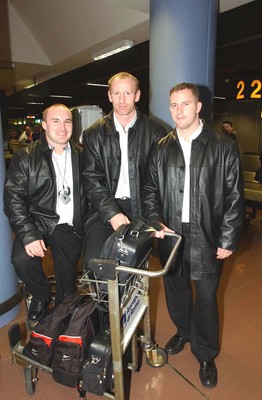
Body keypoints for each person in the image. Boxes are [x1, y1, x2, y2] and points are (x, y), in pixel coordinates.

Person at [142, 83, 244, 388]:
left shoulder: (222, 145)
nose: (178, 111)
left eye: (185, 104)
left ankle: (206, 353)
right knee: (176, 290)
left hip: (208, 234)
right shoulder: (161, 147)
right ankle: (184, 331)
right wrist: (156, 220)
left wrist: (228, 238)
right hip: (171, 232)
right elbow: (149, 192)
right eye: (173, 105)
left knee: (207, 297)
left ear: (199, 106)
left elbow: (234, 195)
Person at [4, 104, 85, 325]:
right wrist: (29, 235)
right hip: (37, 220)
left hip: (69, 225)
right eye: (55, 121)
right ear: (44, 125)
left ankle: (63, 312)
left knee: (66, 281)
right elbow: (13, 199)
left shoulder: (82, 155)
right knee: (21, 260)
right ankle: (40, 295)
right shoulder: (25, 157)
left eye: (67, 121)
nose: (62, 127)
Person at [82, 71, 167, 266]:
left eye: (127, 93)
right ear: (109, 96)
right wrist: (112, 213)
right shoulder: (93, 134)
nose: (122, 100)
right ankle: (105, 297)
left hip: (142, 208)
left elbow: (158, 181)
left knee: (133, 264)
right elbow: (91, 179)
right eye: (117, 93)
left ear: (137, 95)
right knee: (95, 262)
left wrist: (155, 216)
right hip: (103, 207)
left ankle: (128, 296)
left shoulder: (156, 132)